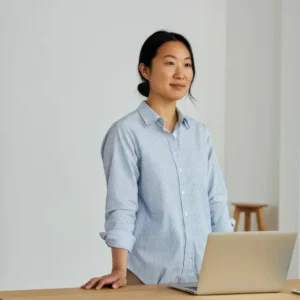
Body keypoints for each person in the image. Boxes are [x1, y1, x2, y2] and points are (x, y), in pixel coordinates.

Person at [81, 30, 235, 290]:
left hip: (203, 278)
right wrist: (118, 269)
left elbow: (216, 203)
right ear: (145, 70)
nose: (181, 73)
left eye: (187, 64)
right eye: (170, 63)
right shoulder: (126, 133)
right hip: (146, 279)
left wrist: (230, 265)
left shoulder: (200, 135)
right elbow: (122, 205)